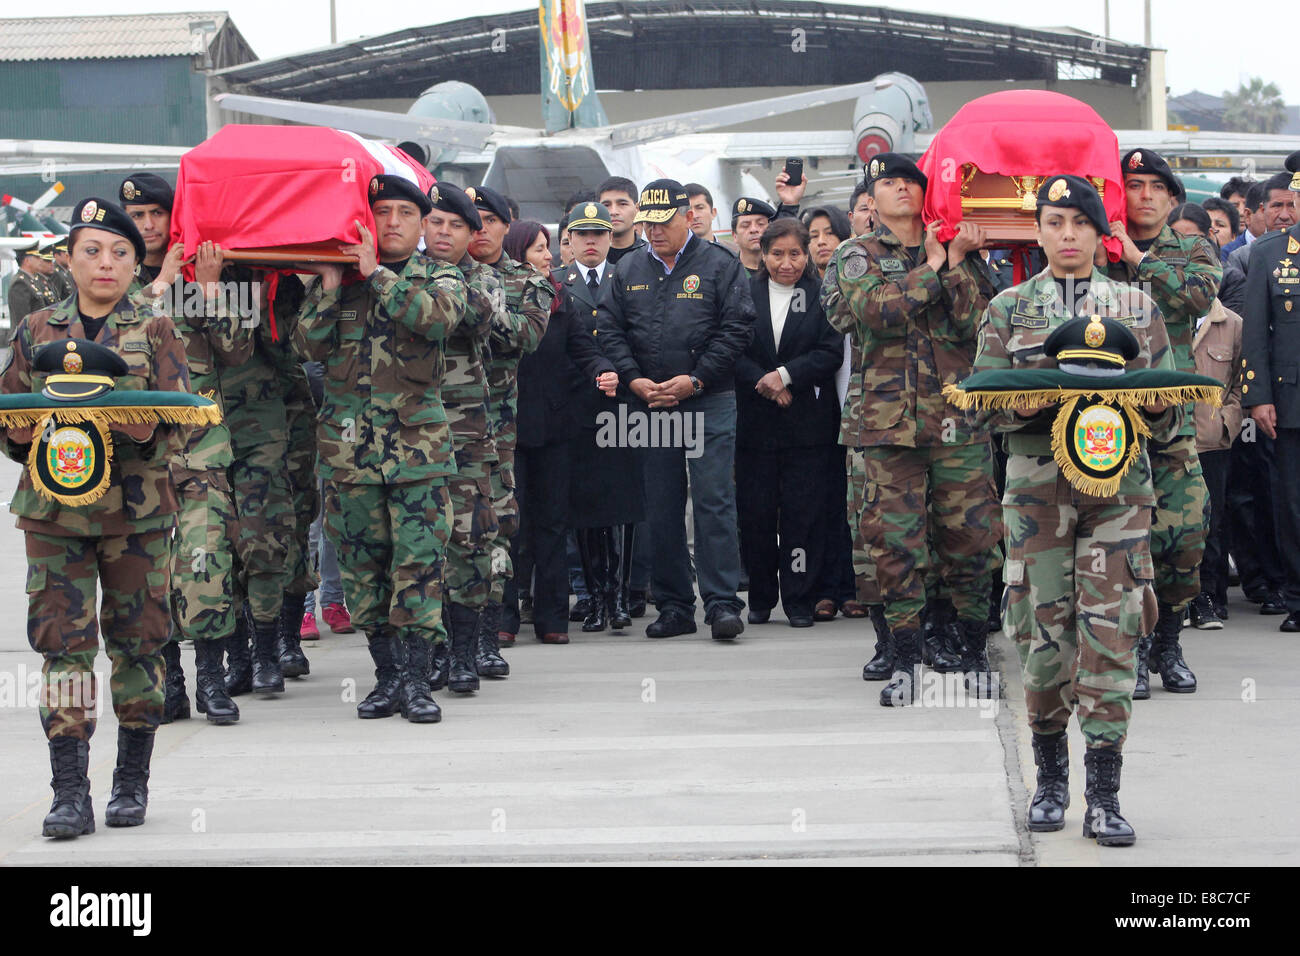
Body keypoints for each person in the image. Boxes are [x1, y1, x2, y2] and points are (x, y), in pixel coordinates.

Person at [975, 175, 1180, 846]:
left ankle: (1106, 795)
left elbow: (1172, 400)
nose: (1067, 235)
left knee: (1113, 635)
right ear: (1037, 231)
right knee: (1045, 638)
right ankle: (1051, 783)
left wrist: (1150, 403)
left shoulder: (1137, 306)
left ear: (1100, 233)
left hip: (1118, 494)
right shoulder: (1007, 308)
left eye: (1079, 224)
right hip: (1039, 496)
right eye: (1055, 222)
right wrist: (1028, 400)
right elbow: (981, 398)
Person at [1, 197, 190, 836]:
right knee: (63, 649)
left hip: (134, 515)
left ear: (137, 264)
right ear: (69, 259)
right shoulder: (37, 330)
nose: (105, 264)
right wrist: (29, 436)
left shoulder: (156, 329)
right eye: (92, 251)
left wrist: (142, 430)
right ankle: (69, 793)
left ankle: (130, 784)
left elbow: (184, 415)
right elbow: (9, 413)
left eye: (120, 253)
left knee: (140, 645)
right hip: (55, 516)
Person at [821, 154, 999, 706]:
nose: (899, 190)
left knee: (970, 542)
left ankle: (971, 651)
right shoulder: (857, 254)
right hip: (886, 426)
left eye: (908, 182)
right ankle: (905, 658)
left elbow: (981, 323)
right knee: (895, 546)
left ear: (926, 192)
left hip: (957, 423)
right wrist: (935, 267)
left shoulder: (961, 252)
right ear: (872, 198)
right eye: (887, 184)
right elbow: (877, 312)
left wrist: (957, 263)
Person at [293, 174, 466, 723]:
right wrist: (327, 284)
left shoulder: (439, 275)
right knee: (364, 571)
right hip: (350, 457)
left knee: (417, 565)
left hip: (418, 454)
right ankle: (386, 676)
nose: (392, 222)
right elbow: (305, 345)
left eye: (404, 213)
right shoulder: (339, 283)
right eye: (382, 211)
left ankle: (417, 680)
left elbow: (435, 320)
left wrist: (377, 275)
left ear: (422, 225)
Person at [597, 178, 755, 640]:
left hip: (708, 399)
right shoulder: (628, 268)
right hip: (651, 405)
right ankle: (673, 605)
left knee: (713, 501)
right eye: (648, 223)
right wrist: (633, 379)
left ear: (689, 217)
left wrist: (696, 379)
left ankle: (723, 603)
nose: (654, 232)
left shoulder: (719, 264)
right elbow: (609, 329)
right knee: (660, 506)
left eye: (664, 222)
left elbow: (737, 329)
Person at [1107, 149, 1221, 696]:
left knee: (1186, 536)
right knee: (1126, 543)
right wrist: (1118, 253)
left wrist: (1138, 259)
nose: (1145, 194)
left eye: (1156, 185)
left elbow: (1199, 295)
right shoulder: (1096, 249)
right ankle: (1137, 648)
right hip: (1110, 422)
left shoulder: (1192, 246)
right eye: (1134, 183)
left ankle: (1170, 641)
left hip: (1171, 421)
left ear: (1173, 198)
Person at [508, 215, 619, 641]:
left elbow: (583, 348)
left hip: (555, 426)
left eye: (548, 248)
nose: (547, 257)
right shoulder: (496, 297)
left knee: (554, 522)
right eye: (538, 249)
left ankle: (553, 619)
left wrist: (603, 370)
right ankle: (504, 618)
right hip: (507, 429)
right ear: (518, 253)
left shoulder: (559, 298)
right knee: (512, 525)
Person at [734, 218, 843, 626]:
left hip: (808, 426)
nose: (786, 263)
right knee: (757, 514)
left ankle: (799, 599)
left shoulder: (822, 295)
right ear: (763, 255)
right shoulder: (744, 294)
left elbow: (830, 351)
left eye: (795, 253)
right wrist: (763, 380)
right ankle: (761, 598)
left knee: (803, 516)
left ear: (807, 254)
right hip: (756, 425)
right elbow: (730, 348)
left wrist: (786, 375)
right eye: (777, 254)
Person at [463, 185, 553, 682]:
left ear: (506, 225)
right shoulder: (432, 276)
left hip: (491, 430)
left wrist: (476, 300)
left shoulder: (524, 280)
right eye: (465, 220)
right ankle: (441, 641)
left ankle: (487, 633)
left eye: (487, 220)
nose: (477, 230)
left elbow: (527, 335)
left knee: (492, 527)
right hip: (426, 428)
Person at [551, 201, 647, 636]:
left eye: (599, 234)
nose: (591, 242)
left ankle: (622, 596)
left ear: (612, 238)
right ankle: (593, 597)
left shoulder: (628, 277)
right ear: (567, 240)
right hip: (576, 409)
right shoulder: (556, 282)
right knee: (585, 506)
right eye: (581, 234)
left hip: (623, 403)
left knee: (624, 503)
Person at [1168, 204, 1243, 630]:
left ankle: (1209, 600)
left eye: (1194, 240)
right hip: (1165, 436)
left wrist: (1225, 420)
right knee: (1171, 521)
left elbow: (1239, 379)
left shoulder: (1228, 322)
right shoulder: (1151, 311)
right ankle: (1173, 605)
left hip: (1211, 438)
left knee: (1210, 521)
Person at [1241, 151, 1300, 633]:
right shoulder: (1270, 253)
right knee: (1292, 501)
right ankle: (1299, 595)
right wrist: (1258, 395)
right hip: (1290, 401)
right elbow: (1256, 332)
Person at [6, 243, 60, 326]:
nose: (40, 260)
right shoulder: (20, 283)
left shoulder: (32, 281)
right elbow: (22, 319)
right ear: (27, 261)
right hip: (26, 335)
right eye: (37, 257)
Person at [598, 176, 645, 265]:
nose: (613, 212)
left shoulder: (653, 257)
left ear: (637, 209)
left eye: (622, 204)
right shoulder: (589, 258)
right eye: (606, 205)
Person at [731, 197, 776, 274]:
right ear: (735, 235)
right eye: (745, 225)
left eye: (760, 224)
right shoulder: (728, 273)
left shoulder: (781, 271)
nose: (753, 230)